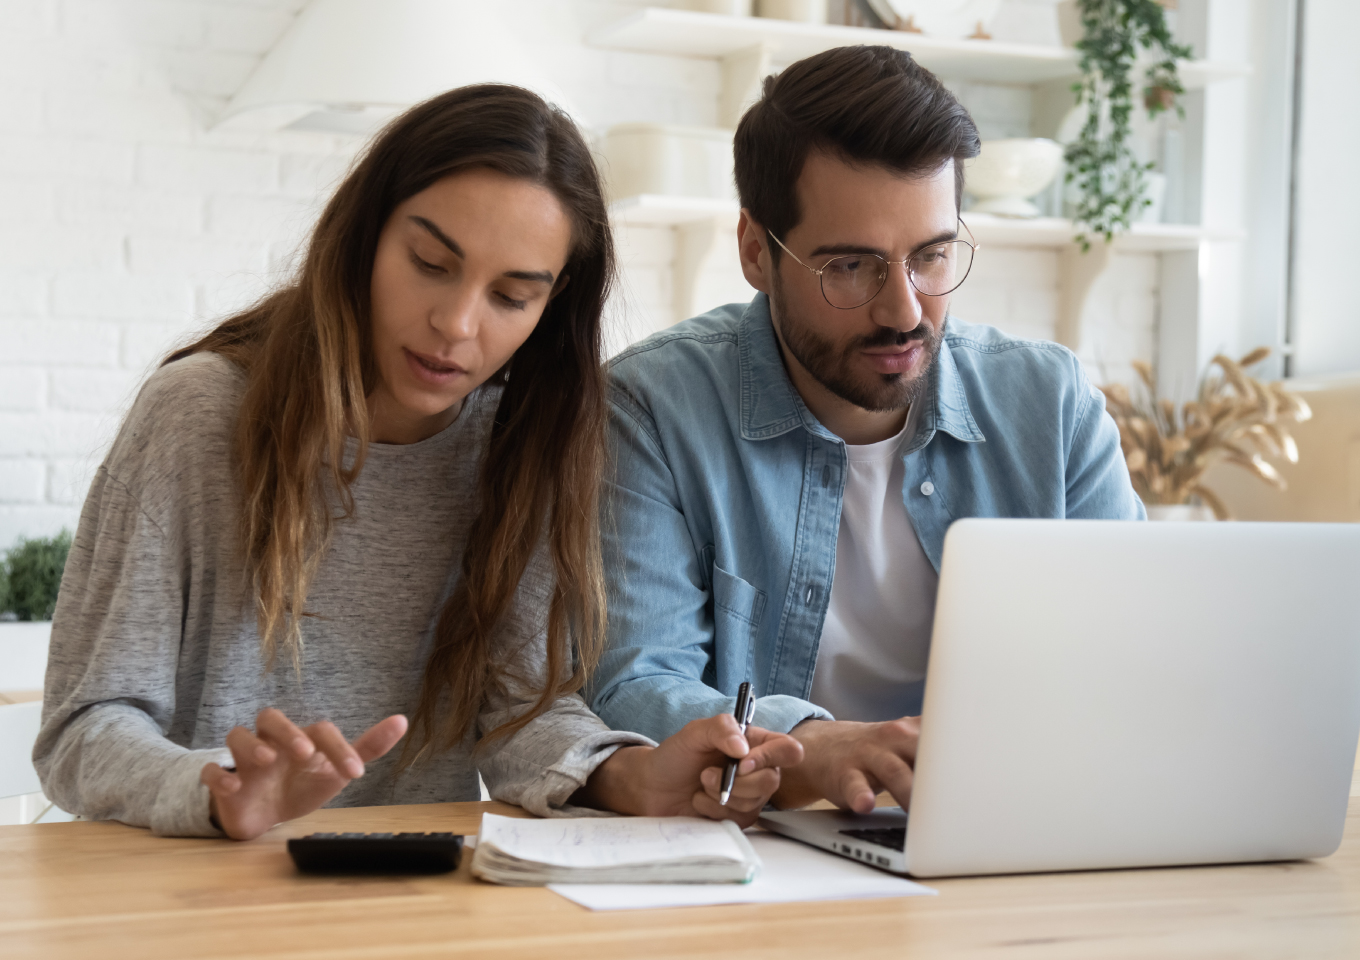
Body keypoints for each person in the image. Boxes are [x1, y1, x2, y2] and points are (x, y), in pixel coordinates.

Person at [34, 85, 800, 841]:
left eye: (511, 296)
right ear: (366, 235)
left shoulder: (521, 442)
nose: (456, 324)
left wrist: (634, 775)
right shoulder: (196, 416)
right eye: (432, 263)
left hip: (404, 892)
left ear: (552, 303)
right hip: (184, 895)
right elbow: (85, 727)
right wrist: (219, 790)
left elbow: (517, 715)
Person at [589, 47, 1145, 816]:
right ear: (756, 250)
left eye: (932, 255)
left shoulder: (1051, 404)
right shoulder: (649, 408)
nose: (905, 310)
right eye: (850, 267)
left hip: (1014, 824)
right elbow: (633, 682)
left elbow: (1138, 656)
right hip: (766, 848)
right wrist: (814, 747)